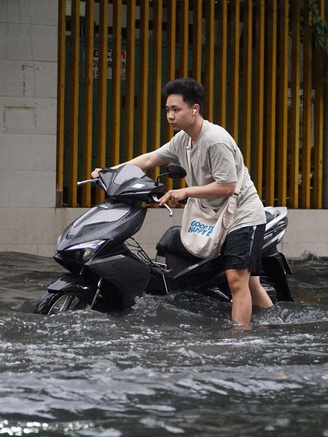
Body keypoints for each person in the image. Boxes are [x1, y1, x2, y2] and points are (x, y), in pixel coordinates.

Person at [92, 78, 273, 326]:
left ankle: (238, 340)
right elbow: (149, 159)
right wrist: (109, 171)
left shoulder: (215, 140)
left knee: (236, 279)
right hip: (214, 213)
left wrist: (186, 193)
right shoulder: (183, 140)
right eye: (168, 110)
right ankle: (273, 324)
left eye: (176, 109)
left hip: (242, 215)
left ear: (194, 109)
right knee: (250, 282)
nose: (170, 115)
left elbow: (228, 186)